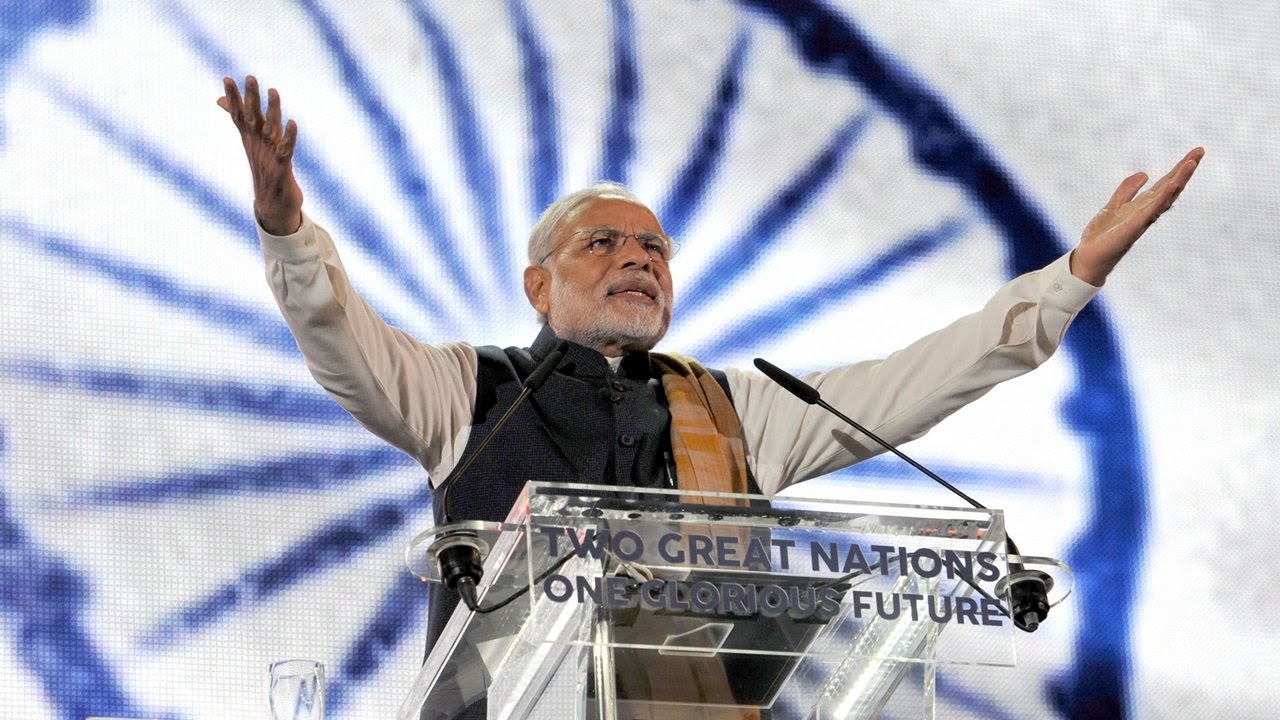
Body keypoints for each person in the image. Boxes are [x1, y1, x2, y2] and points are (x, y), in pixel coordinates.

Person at [218, 73, 1201, 707]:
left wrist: (1070, 274)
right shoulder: (468, 392)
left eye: (653, 248)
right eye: (601, 242)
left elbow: (924, 378)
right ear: (537, 285)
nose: (635, 259)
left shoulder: (735, 411)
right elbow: (338, 340)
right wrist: (287, 234)